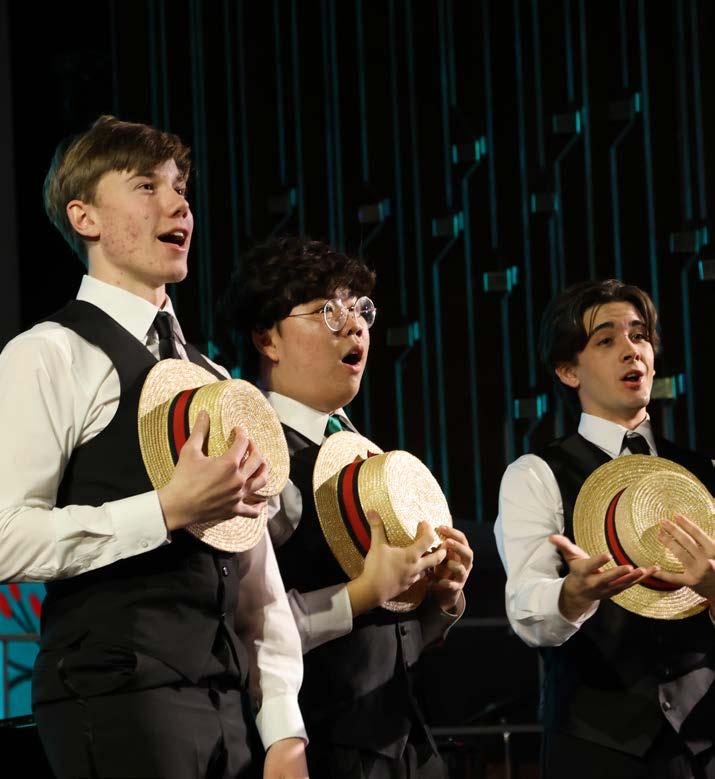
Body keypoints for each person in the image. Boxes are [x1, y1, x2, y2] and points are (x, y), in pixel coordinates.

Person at [0, 115, 308, 779]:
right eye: (146, 185)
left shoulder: (213, 377)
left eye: (181, 189)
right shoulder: (47, 355)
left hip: (227, 708)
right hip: (116, 696)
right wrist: (166, 509)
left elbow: (256, 575)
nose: (178, 205)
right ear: (84, 217)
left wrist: (284, 727)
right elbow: (7, 538)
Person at [225, 236, 474, 779]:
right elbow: (246, 630)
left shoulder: (365, 455)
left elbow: (399, 632)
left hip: (406, 741)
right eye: (327, 312)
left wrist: (439, 599)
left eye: (361, 310)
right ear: (267, 338)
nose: (355, 326)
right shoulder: (249, 455)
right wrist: (363, 593)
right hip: (315, 747)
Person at [494, 279, 715, 778]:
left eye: (639, 335)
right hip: (597, 746)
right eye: (606, 340)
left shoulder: (705, 473)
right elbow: (526, 609)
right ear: (568, 370)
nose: (631, 350)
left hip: (703, 741)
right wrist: (572, 595)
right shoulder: (537, 474)